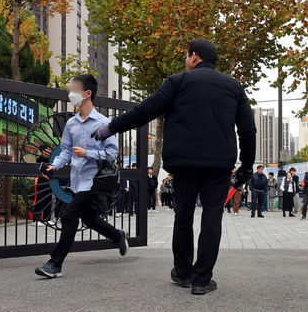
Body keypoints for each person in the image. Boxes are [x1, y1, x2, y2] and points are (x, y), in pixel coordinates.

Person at [91, 39, 256, 295]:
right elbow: (247, 130)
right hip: (218, 165)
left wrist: (110, 127)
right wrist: (246, 165)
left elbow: (144, 111)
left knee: (183, 217)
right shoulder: (233, 87)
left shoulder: (177, 82)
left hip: (183, 164)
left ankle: (182, 273)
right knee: (212, 218)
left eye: (186, 55)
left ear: (193, 57)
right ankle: (202, 280)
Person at [35, 74, 128, 279]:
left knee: (68, 217)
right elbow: (66, 151)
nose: (71, 94)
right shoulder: (72, 124)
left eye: (74, 90)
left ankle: (55, 264)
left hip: (94, 180)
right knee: (90, 219)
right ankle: (117, 235)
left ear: (87, 94)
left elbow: (113, 154)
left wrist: (88, 154)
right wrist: (54, 166)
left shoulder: (104, 123)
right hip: (77, 181)